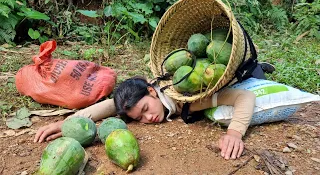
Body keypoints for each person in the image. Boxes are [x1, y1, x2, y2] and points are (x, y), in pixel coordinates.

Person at [34, 63, 275, 160]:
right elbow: (111, 105)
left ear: (152, 91)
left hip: (241, 75)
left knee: (252, 74)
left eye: (146, 110)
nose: (148, 119)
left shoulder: (187, 99)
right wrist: (67, 123)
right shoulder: (150, 91)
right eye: (139, 119)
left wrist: (234, 133)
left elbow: (245, 97)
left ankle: (259, 67)